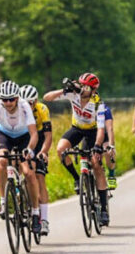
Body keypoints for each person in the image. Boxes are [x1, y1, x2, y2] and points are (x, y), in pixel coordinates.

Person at [44, 72, 111, 226]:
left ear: (93, 90)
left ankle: (104, 209)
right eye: (81, 85)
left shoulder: (98, 104)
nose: (82, 88)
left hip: (93, 132)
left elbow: (101, 130)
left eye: (86, 87)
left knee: (96, 165)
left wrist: (97, 147)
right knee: (61, 149)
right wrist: (64, 91)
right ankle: (77, 178)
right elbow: (47, 97)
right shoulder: (73, 95)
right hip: (77, 129)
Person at [0, 80, 41, 234]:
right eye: (4, 100)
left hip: (23, 137)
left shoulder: (25, 106)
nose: (7, 103)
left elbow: (34, 133)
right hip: (5, 135)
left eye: (11, 99)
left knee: (28, 172)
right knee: (2, 161)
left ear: (17, 98)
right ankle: (3, 201)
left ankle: (35, 212)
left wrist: (29, 149)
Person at [19, 84, 53, 236]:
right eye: (25, 102)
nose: (28, 105)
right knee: (20, 169)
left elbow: (48, 136)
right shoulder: (17, 108)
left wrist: (43, 152)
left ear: (36, 101)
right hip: (23, 139)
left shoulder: (42, 110)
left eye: (31, 102)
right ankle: (18, 193)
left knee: (39, 177)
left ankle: (44, 220)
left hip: (38, 140)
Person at [96, 100, 117, 190]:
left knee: (107, 152)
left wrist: (111, 145)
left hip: (104, 135)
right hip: (92, 135)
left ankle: (111, 174)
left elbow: (110, 129)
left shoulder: (105, 109)